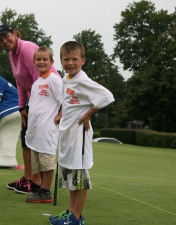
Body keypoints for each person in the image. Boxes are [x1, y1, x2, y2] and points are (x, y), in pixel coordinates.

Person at [49, 41, 114, 224]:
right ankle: (71, 212)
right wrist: (61, 114)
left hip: (79, 137)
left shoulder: (83, 80)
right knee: (70, 178)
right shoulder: (66, 79)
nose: (70, 63)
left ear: (83, 60)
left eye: (74, 59)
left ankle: (77, 218)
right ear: (61, 61)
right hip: (67, 135)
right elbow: (67, 101)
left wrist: (88, 114)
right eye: (66, 59)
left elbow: (107, 96)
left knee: (79, 179)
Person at [0, 24, 61, 194]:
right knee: (26, 137)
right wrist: (22, 106)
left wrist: (33, 106)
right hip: (33, 101)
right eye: (1, 40)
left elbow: (38, 78)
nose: (5, 41)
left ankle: (36, 182)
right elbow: (19, 82)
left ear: (15, 34)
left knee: (37, 142)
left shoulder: (27, 48)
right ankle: (28, 178)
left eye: (7, 36)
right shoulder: (12, 54)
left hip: (46, 99)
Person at [24, 46, 63, 203]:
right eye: (38, 59)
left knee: (47, 162)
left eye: (45, 59)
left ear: (51, 62)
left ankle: (45, 192)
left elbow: (65, 100)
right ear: (33, 62)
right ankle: (41, 188)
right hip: (35, 130)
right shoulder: (37, 82)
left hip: (47, 129)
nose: (41, 62)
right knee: (38, 163)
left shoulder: (54, 79)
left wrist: (60, 115)